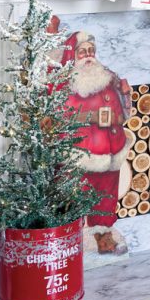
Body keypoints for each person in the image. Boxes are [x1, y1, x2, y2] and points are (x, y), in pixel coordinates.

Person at [60, 31, 132, 255]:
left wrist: (125, 98)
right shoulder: (68, 82)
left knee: (106, 193)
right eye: (83, 51)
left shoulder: (108, 77)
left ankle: (104, 235)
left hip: (111, 148)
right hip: (83, 151)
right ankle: (73, 239)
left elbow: (123, 112)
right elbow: (62, 115)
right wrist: (94, 117)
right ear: (74, 54)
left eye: (91, 50)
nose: (88, 55)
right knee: (79, 192)